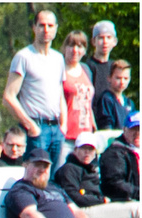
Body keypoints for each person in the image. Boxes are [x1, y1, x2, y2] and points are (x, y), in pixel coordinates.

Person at [4, 10, 69, 164]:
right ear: (34, 27)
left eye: (50, 25)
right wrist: (31, 126)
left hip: (56, 129)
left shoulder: (58, 58)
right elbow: (8, 97)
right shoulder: (24, 57)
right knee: (34, 179)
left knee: (52, 180)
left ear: (56, 28)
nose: (46, 30)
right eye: (41, 25)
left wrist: (64, 125)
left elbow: (59, 93)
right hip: (36, 128)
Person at [61, 31, 98, 159]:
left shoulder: (86, 70)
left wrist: (94, 127)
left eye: (80, 46)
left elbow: (88, 102)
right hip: (66, 136)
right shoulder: (59, 69)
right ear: (65, 47)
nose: (75, 50)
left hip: (86, 136)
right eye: (71, 45)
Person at [0, 125, 30, 207]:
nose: (14, 149)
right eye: (10, 145)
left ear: (25, 147)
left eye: (18, 146)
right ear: (3, 145)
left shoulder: (29, 167)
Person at [96, 61, 134, 132]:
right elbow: (106, 126)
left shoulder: (129, 103)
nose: (122, 82)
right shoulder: (106, 99)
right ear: (109, 78)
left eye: (125, 78)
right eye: (118, 78)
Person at [84, 21, 118, 98]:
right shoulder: (87, 67)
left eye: (108, 37)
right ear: (93, 41)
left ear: (114, 42)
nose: (105, 42)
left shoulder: (115, 67)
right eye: (100, 38)